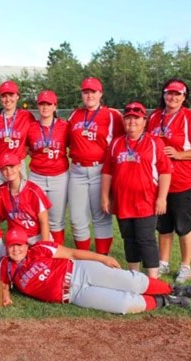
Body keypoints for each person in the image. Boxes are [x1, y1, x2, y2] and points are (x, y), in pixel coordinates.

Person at [0, 229, 191, 314]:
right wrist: (3, 296)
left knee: (132, 282)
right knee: (124, 304)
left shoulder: (39, 249)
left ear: (26, 244)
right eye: (12, 245)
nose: (16, 249)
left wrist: (103, 258)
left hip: (80, 271)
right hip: (73, 295)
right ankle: (167, 301)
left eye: (20, 245)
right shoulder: (6, 266)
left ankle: (172, 288)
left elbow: (73, 253)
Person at [147, 79, 191, 283]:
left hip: (183, 182)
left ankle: (185, 266)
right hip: (158, 182)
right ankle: (163, 262)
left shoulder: (190, 118)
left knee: (184, 225)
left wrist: (179, 154)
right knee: (163, 226)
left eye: (178, 94)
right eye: (169, 93)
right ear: (164, 94)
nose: (173, 97)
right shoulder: (155, 117)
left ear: (184, 97)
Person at [101, 102, 173, 278]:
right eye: (128, 118)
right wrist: (104, 196)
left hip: (146, 201)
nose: (132, 121)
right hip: (123, 200)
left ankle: (152, 278)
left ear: (144, 121)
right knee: (129, 239)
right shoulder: (116, 143)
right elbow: (107, 171)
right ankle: (134, 275)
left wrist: (162, 198)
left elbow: (165, 171)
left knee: (146, 239)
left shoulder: (155, 142)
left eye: (136, 118)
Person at [67, 77, 124, 254]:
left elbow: (124, 140)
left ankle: (102, 258)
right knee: (77, 218)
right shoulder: (75, 114)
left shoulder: (112, 115)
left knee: (101, 217)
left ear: (100, 93)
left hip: (101, 171)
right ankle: (84, 258)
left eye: (93, 91)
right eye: (86, 92)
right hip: (77, 171)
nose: (89, 95)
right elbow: (66, 140)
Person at [26, 90, 70, 245]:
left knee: (56, 220)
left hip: (59, 176)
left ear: (55, 106)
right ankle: (37, 251)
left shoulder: (64, 126)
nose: (45, 107)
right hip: (36, 176)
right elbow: (26, 149)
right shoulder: (31, 127)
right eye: (42, 104)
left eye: (48, 104)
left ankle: (56, 253)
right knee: (34, 216)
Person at [0, 80, 35, 191]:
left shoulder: (27, 117)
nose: (7, 99)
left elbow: (33, 140)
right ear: (0, 98)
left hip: (17, 168)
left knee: (19, 204)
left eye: (11, 95)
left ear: (17, 96)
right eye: (4, 96)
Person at [0, 153, 52, 244]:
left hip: (37, 237)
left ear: (19, 166)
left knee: (69, 255)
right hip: (16, 239)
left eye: (12, 166)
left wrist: (44, 245)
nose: (9, 171)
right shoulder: (1, 191)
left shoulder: (33, 191)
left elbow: (44, 222)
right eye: (4, 169)